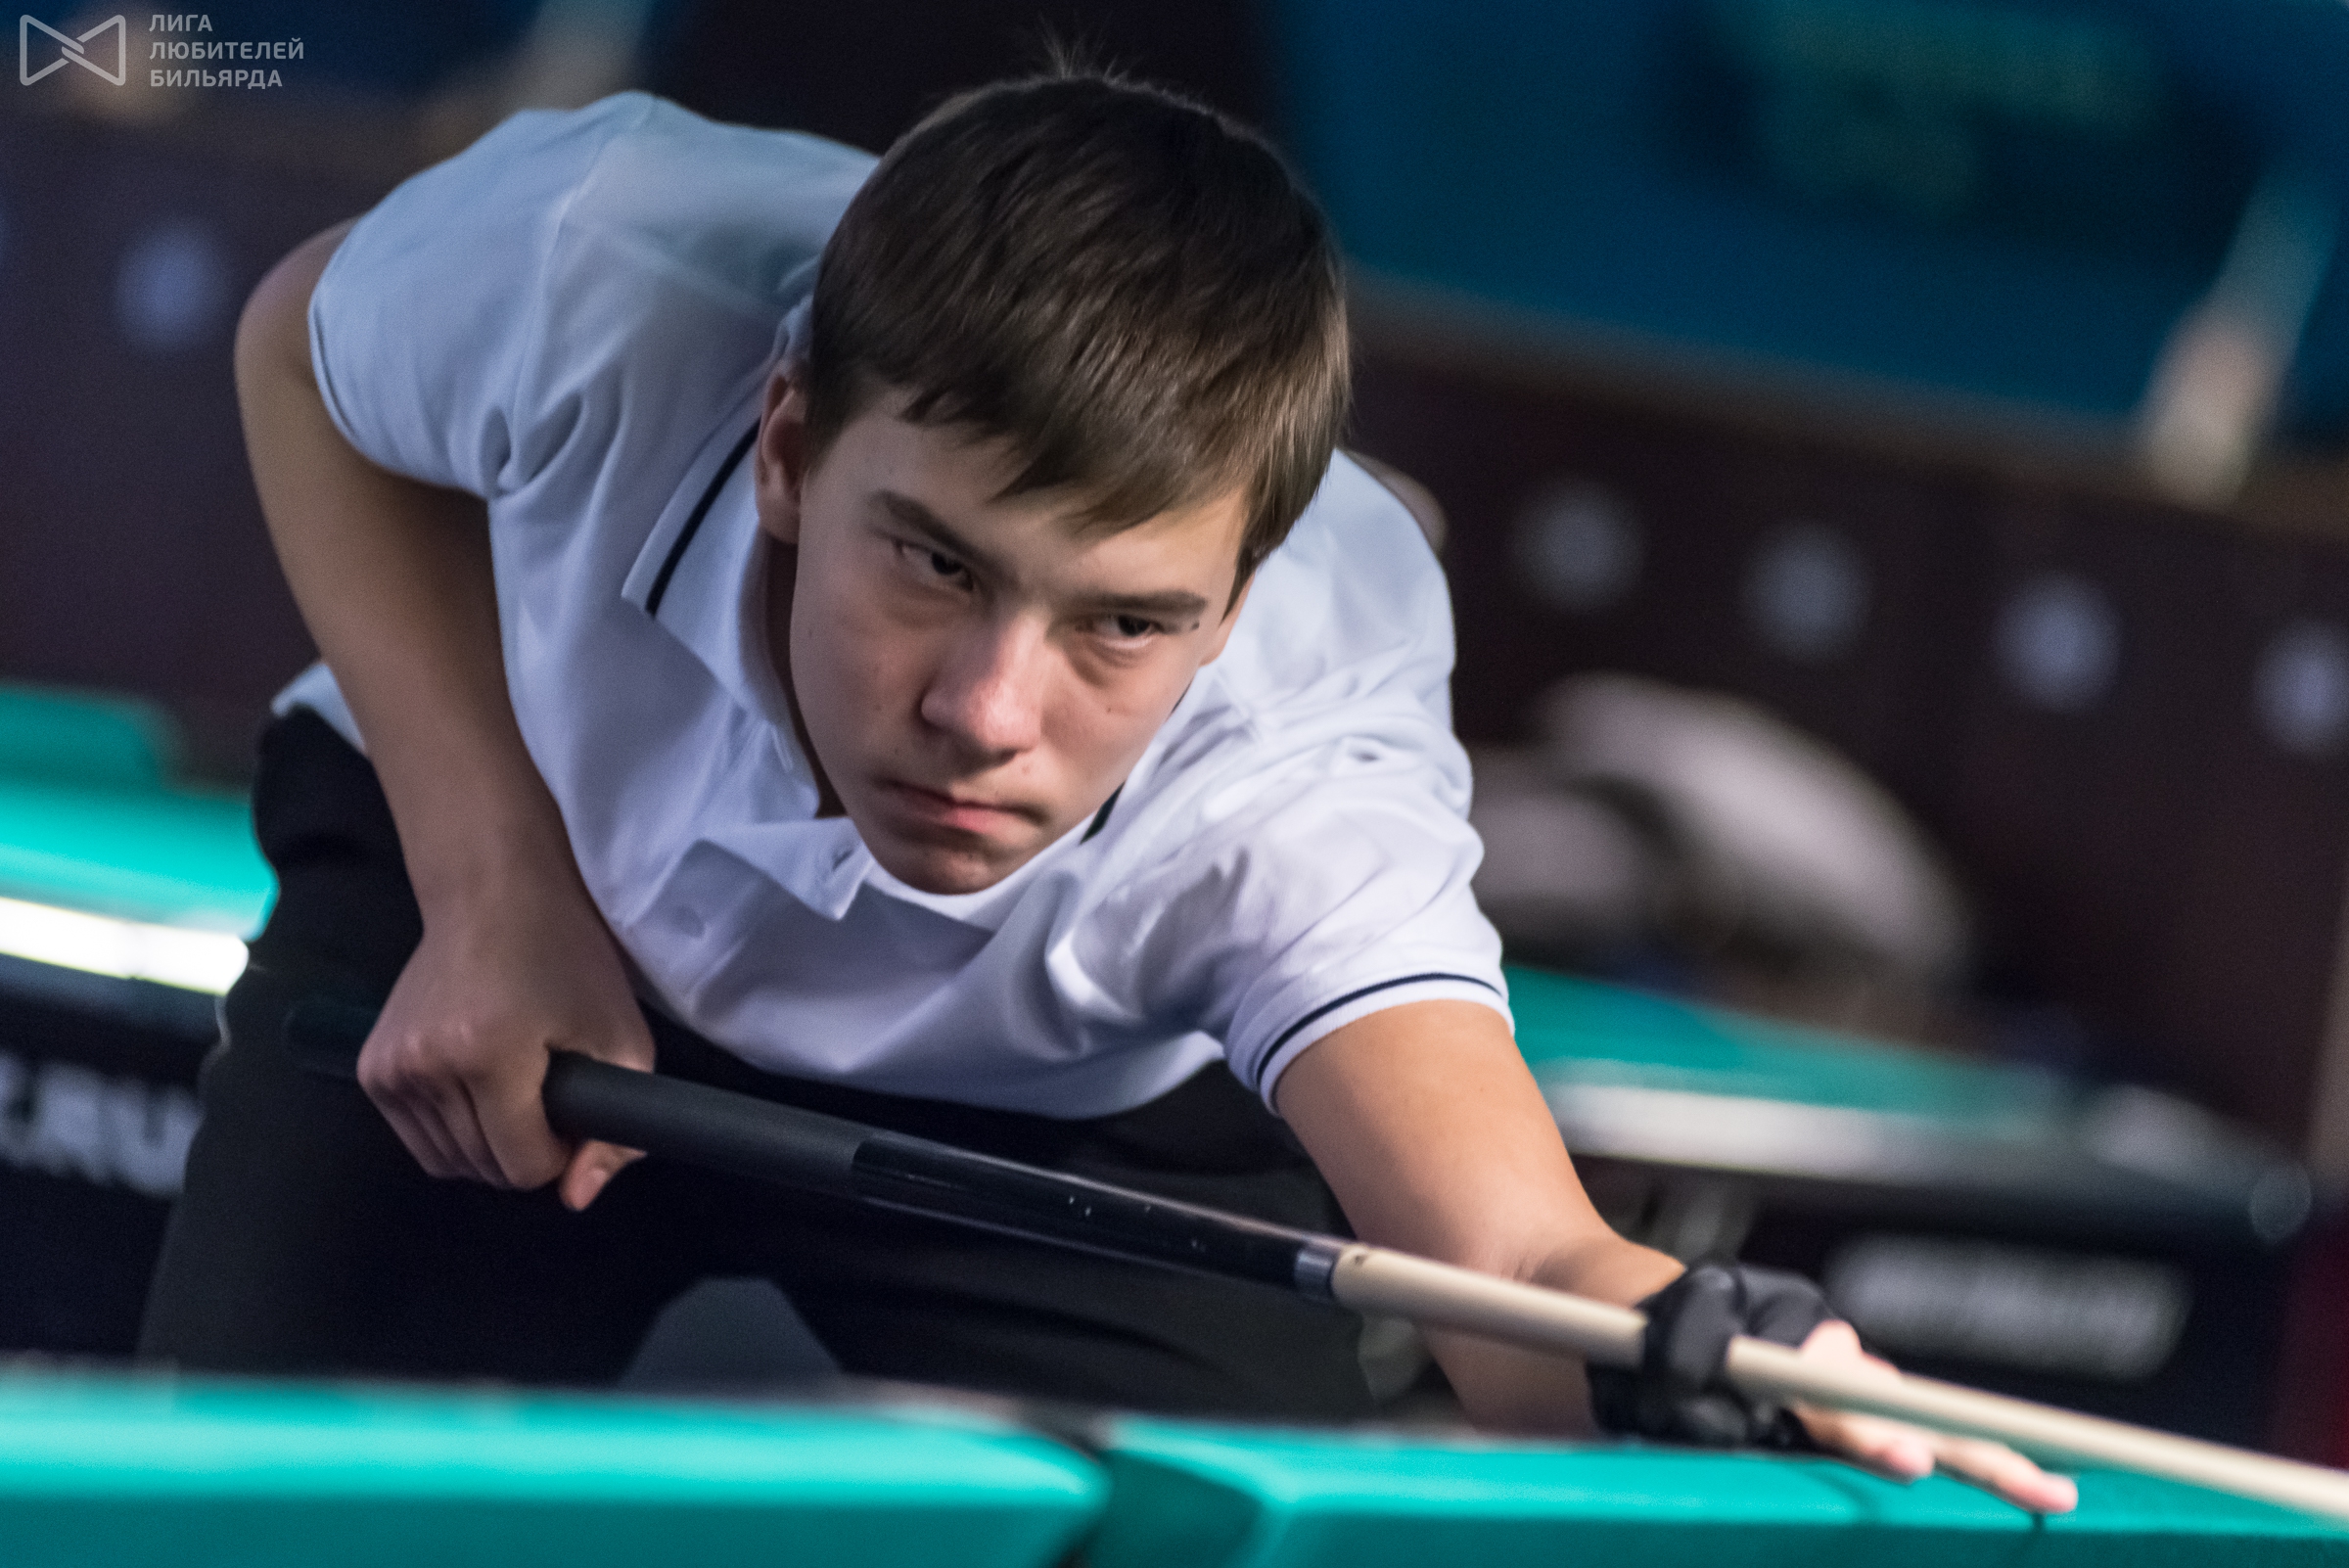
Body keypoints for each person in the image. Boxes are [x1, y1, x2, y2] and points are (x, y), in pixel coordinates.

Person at [140, 66, 2069, 1511]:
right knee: (227, 1523)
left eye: (1124, 624)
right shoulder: (601, 265)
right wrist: (494, 879)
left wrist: (1705, 1360)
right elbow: (298, 352)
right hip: (502, 892)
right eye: (936, 562)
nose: (988, 711)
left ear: (1236, 601)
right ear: (790, 442)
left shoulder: (1306, 746)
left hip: (1057, 1124)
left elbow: (1519, 1270)